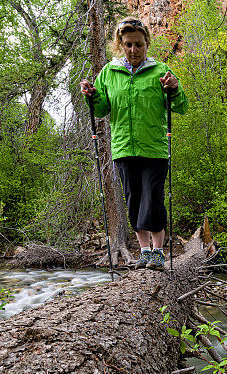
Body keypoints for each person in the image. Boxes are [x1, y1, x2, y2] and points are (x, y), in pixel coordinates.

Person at [80, 16, 188, 270]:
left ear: (146, 44)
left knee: (153, 198)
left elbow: (180, 105)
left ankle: (158, 252)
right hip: (124, 148)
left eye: (138, 44)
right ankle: (144, 252)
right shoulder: (109, 72)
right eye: (128, 44)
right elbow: (102, 108)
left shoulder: (160, 71)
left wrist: (174, 88)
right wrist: (92, 95)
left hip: (154, 148)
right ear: (120, 44)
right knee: (134, 201)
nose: (133, 50)